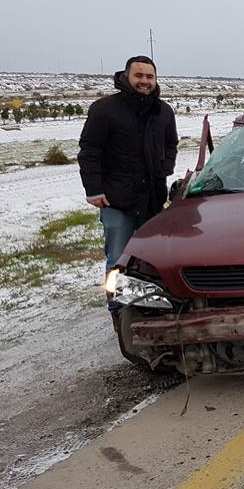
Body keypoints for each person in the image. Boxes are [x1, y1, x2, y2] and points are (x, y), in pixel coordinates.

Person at [78, 55, 178, 315]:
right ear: (126, 77)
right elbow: (89, 151)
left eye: (149, 77)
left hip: (152, 199)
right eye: (139, 76)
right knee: (118, 258)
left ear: (156, 80)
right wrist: (94, 190)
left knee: (152, 257)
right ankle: (119, 309)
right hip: (116, 199)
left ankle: (150, 305)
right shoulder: (105, 109)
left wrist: (165, 169)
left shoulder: (163, 111)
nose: (144, 81)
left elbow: (171, 144)